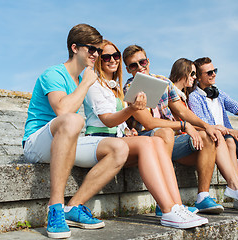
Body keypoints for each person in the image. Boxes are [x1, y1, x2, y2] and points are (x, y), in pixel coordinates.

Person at [83, 39, 208, 229]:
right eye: (106, 57)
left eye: (115, 56)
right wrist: (133, 110)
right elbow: (109, 120)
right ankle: (167, 207)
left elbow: (119, 123)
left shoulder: (116, 87)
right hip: (104, 140)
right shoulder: (106, 85)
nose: (111, 60)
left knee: (203, 137)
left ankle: (177, 205)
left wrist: (127, 129)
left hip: (123, 138)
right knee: (160, 136)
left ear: (148, 61)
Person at [23, 24, 131, 239]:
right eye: (91, 49)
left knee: (120, 148)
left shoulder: (84, 79)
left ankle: (73, 207)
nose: (97, 55)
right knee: (73, 120)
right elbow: (62, 110)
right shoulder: (53, 73)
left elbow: (101, 114)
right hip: (37, 143)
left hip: (66, 141)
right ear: (74, 48)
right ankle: (55, 208)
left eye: (98, 50)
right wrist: (87, 83)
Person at [122, 45, 225, 214]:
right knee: (165, 132)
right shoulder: (129, 89)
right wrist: (183, 125)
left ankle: (203, 197)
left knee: (207, 136)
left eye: (143, 62)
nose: (140, 67)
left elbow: (182, 110)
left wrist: (207, 126)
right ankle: (164, 204)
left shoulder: (164, 81)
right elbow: (148, 123)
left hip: (172, 139)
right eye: (134, 65)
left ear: (148, 61)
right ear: (128, 69)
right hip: (148, 138)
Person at [169, 58, 238, 213]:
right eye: (209, 72)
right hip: (219, 138)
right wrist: (230, 131)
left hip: (224, 138)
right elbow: (205, 126)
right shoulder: (193, 97)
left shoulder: (219, 95)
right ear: (198, 77)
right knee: (228, 141)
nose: (214, 75)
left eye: (215, 71)